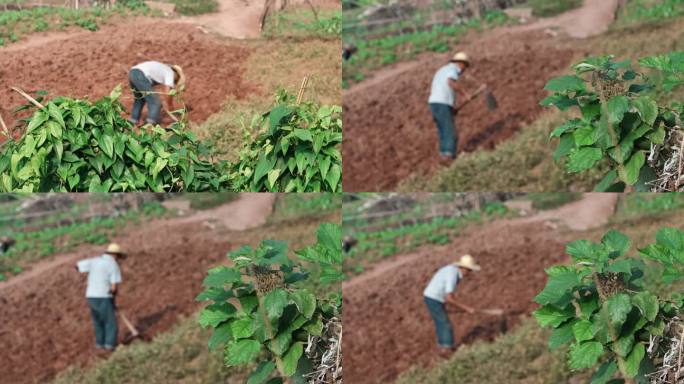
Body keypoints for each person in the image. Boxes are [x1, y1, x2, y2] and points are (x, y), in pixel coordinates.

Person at [423, 254, 480, 356]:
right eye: (469, 270)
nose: (470, 273)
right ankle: (446, 349)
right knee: (444, 323)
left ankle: (443, 345)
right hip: (433, 298)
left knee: (440, 322)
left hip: (433, 297)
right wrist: (467, 308)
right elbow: (449, 298)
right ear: (464, 268)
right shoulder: (453, 275)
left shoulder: (452, 270)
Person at [76, 243, 127, 352]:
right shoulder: (113, 265)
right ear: (115, 255)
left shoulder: (95, 260)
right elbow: (114, 286)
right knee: (110, 322)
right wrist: (112, 298)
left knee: (98, 321)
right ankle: (110, 345)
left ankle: (100, 344)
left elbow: (78, 266)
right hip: (103, 295)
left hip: (90, 295)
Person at [428, 52, 472, 162]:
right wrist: (465, 94)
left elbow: (441, 89)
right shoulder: (453, 70)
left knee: (442, 129)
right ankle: (448, 156)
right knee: (449, 131)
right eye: (465, 67)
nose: (464, 70)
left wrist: (451, 109)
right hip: (442, 103)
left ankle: (443, 154)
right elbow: (450, 83)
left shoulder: (441, 70)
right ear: (461, 64)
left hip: (433, 103)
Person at [127, 61, 186, 126]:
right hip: (140, 74)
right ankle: (149, 125)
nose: (174, 82)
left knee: (140, 99)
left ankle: (132, 122)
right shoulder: (170, 72)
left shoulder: (162, 69)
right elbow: (168, 92)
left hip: (132, 73)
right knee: (155, 102)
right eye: (176, 80)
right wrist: (170, 106)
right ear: (176, 73)